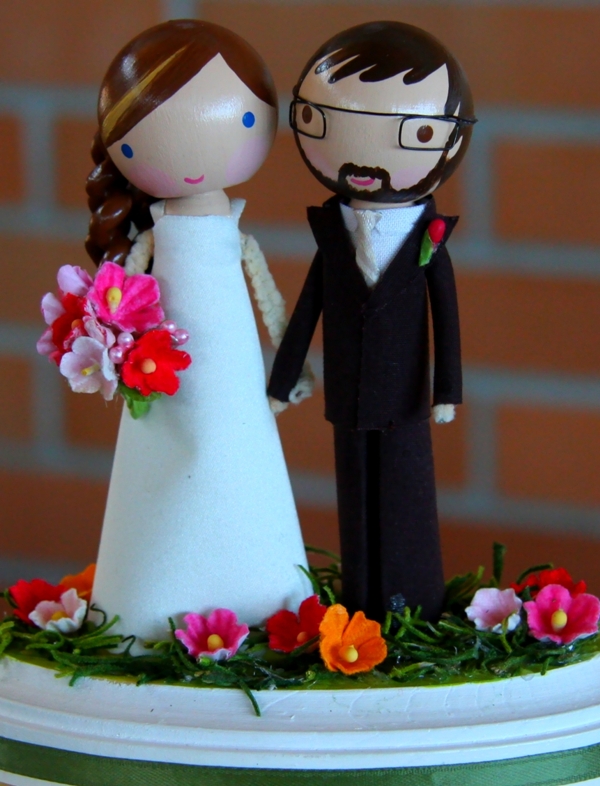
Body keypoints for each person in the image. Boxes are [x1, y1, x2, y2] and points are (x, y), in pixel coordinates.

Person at [88, 20, 312, 641]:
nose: (190, 156)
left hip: (232, 379)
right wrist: (113, 344)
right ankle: (147, 599)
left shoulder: (231, 241)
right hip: (161, 379)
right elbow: (119, 298)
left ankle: (265, 593)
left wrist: (290, 366)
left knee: (240, 459)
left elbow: (270, 304)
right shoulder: (151, 246)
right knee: (162, 458)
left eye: (244, 120)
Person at [268, 21, 476, 621]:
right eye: (324, 123)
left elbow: (447, 320)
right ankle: (361, 602)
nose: (362, 158)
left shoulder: (428, 241)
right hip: (349, 390)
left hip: (406, 395)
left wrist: (446, 391)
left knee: (408, 494)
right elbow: (307, 310)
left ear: (448, 141)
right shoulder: (334, 237)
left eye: (417, 133)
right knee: (354, 493)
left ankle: (415, 603)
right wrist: (283, 380)